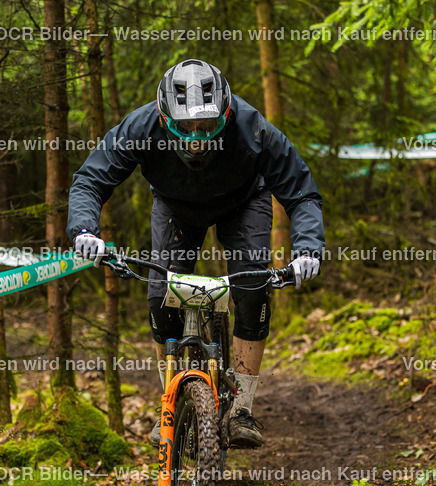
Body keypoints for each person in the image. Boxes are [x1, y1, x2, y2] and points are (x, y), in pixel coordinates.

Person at [68, 58, 325, 448]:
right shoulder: (141, 127)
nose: (196, 139)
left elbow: (302, 193)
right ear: (163, 116)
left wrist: (307, 249)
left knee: (254, 288)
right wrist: (85, 230)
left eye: (207, 127)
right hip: (175, 207)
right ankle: (169, 404)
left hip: (244, 202)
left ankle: (241, 408)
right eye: (186, 128)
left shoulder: (253, 127)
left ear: (226, 113)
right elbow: (90, 179)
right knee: (159, 297)